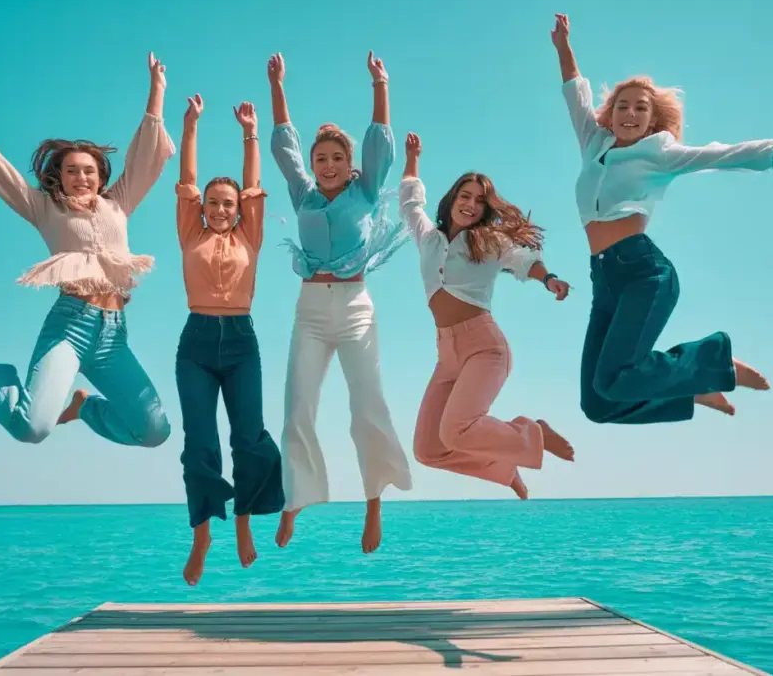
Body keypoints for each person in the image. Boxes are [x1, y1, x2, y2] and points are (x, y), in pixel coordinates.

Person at [551, 13, 773, 424]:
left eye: (641, 108)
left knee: (615, 379)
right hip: (605, 279)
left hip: (643, 273)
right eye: (622, 106)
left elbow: (730, 154)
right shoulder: (593, 142)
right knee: (598, 404)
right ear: (610, 112)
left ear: (653, 119)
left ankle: (714, 359)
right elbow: (575, 96)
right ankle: (695, 393)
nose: (629, 113)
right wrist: (564, 48)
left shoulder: (660, 153)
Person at [0, 54, 175, 447]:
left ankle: (85, 407)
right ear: (59, 176)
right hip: (70, 327)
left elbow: (146, 158)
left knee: (154, 432)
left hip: (113, 336)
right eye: (72, 170)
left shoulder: (118, 202)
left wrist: (156, 93)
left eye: (89, 170)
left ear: (100, 176)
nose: (81, 177)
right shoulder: (42, 207)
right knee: (32, 428)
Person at [266, 51, 413, 554]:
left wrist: (380, 83)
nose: (326, 166)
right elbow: (284, 145)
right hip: (309, 311)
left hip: (354, 307)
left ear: (349, 166)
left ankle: (374, 501)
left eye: (335, 159)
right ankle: (296, 498)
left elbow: (380, 142)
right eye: (320, 159)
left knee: (367, 404)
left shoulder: (365, 191)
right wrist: (278, 85)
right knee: (297, 407)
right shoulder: (303, 196)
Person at [400, 133, 575, 500]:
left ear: (484, 210)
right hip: (447, 355)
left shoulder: (488, 241)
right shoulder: (429, 239)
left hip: (484, 348)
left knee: (457, 430)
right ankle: (504, 469)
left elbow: (523, 260)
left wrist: (550, 279)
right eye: (465, 196)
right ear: (451, 201)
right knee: (428, 448)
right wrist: (413, 159)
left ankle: (533, 434)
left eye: (479, 201)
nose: (470, 204)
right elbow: (410, 204)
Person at [174, 94, 285, 585]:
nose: (220, 209)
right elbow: (187, 181)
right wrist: (191, 126)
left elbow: (256, 184)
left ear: (240, 210)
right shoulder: (189, 234)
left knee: (250, 438)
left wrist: (250, 133)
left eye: (229, 204)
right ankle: (202, 535)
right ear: (202, 208)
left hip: (242, 342)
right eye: (213, 203)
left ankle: (243, 520)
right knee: (200, 442)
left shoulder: (250, 237)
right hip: (195, 343)